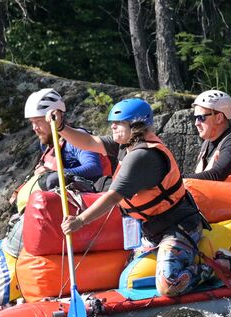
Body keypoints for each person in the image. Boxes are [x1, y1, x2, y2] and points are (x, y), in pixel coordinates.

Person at [52, 98, 211, 297]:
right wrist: (61, 127)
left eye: (118, 124)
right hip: (152, 231)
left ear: (135, 126)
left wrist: (81, 221)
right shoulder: (124, 146)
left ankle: (213, 267)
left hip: (179, 227)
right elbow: (88, 142)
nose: (112, 127)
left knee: (170, 284)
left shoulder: (142, 156)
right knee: (128, 276)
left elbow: (112, 197)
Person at [0, 88, 110, 306]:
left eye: (38, 122)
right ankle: (17, 295)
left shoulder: (75, 139)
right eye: (31, 122)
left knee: (51, 181)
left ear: (55, 116)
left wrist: (58, 174)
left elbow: (94, 167)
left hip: (79, 211)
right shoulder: (48, 146)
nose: (34, 128)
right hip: (44, 221)